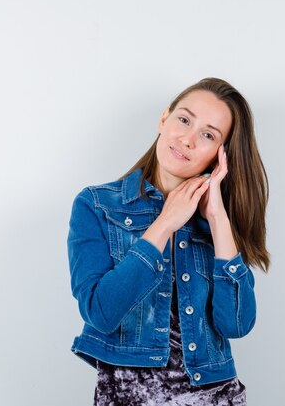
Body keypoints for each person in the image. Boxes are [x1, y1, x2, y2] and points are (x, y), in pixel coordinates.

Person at [67, 77, 270, 405]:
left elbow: (236, 324)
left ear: (221, 155)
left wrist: (218, 221)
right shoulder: (97, 205)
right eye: (184, 120)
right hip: (129, 396)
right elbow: (101, 312)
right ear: (165, 118)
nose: (188, 139)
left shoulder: (217, 224)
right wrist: (164, 224)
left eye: (207, 135)